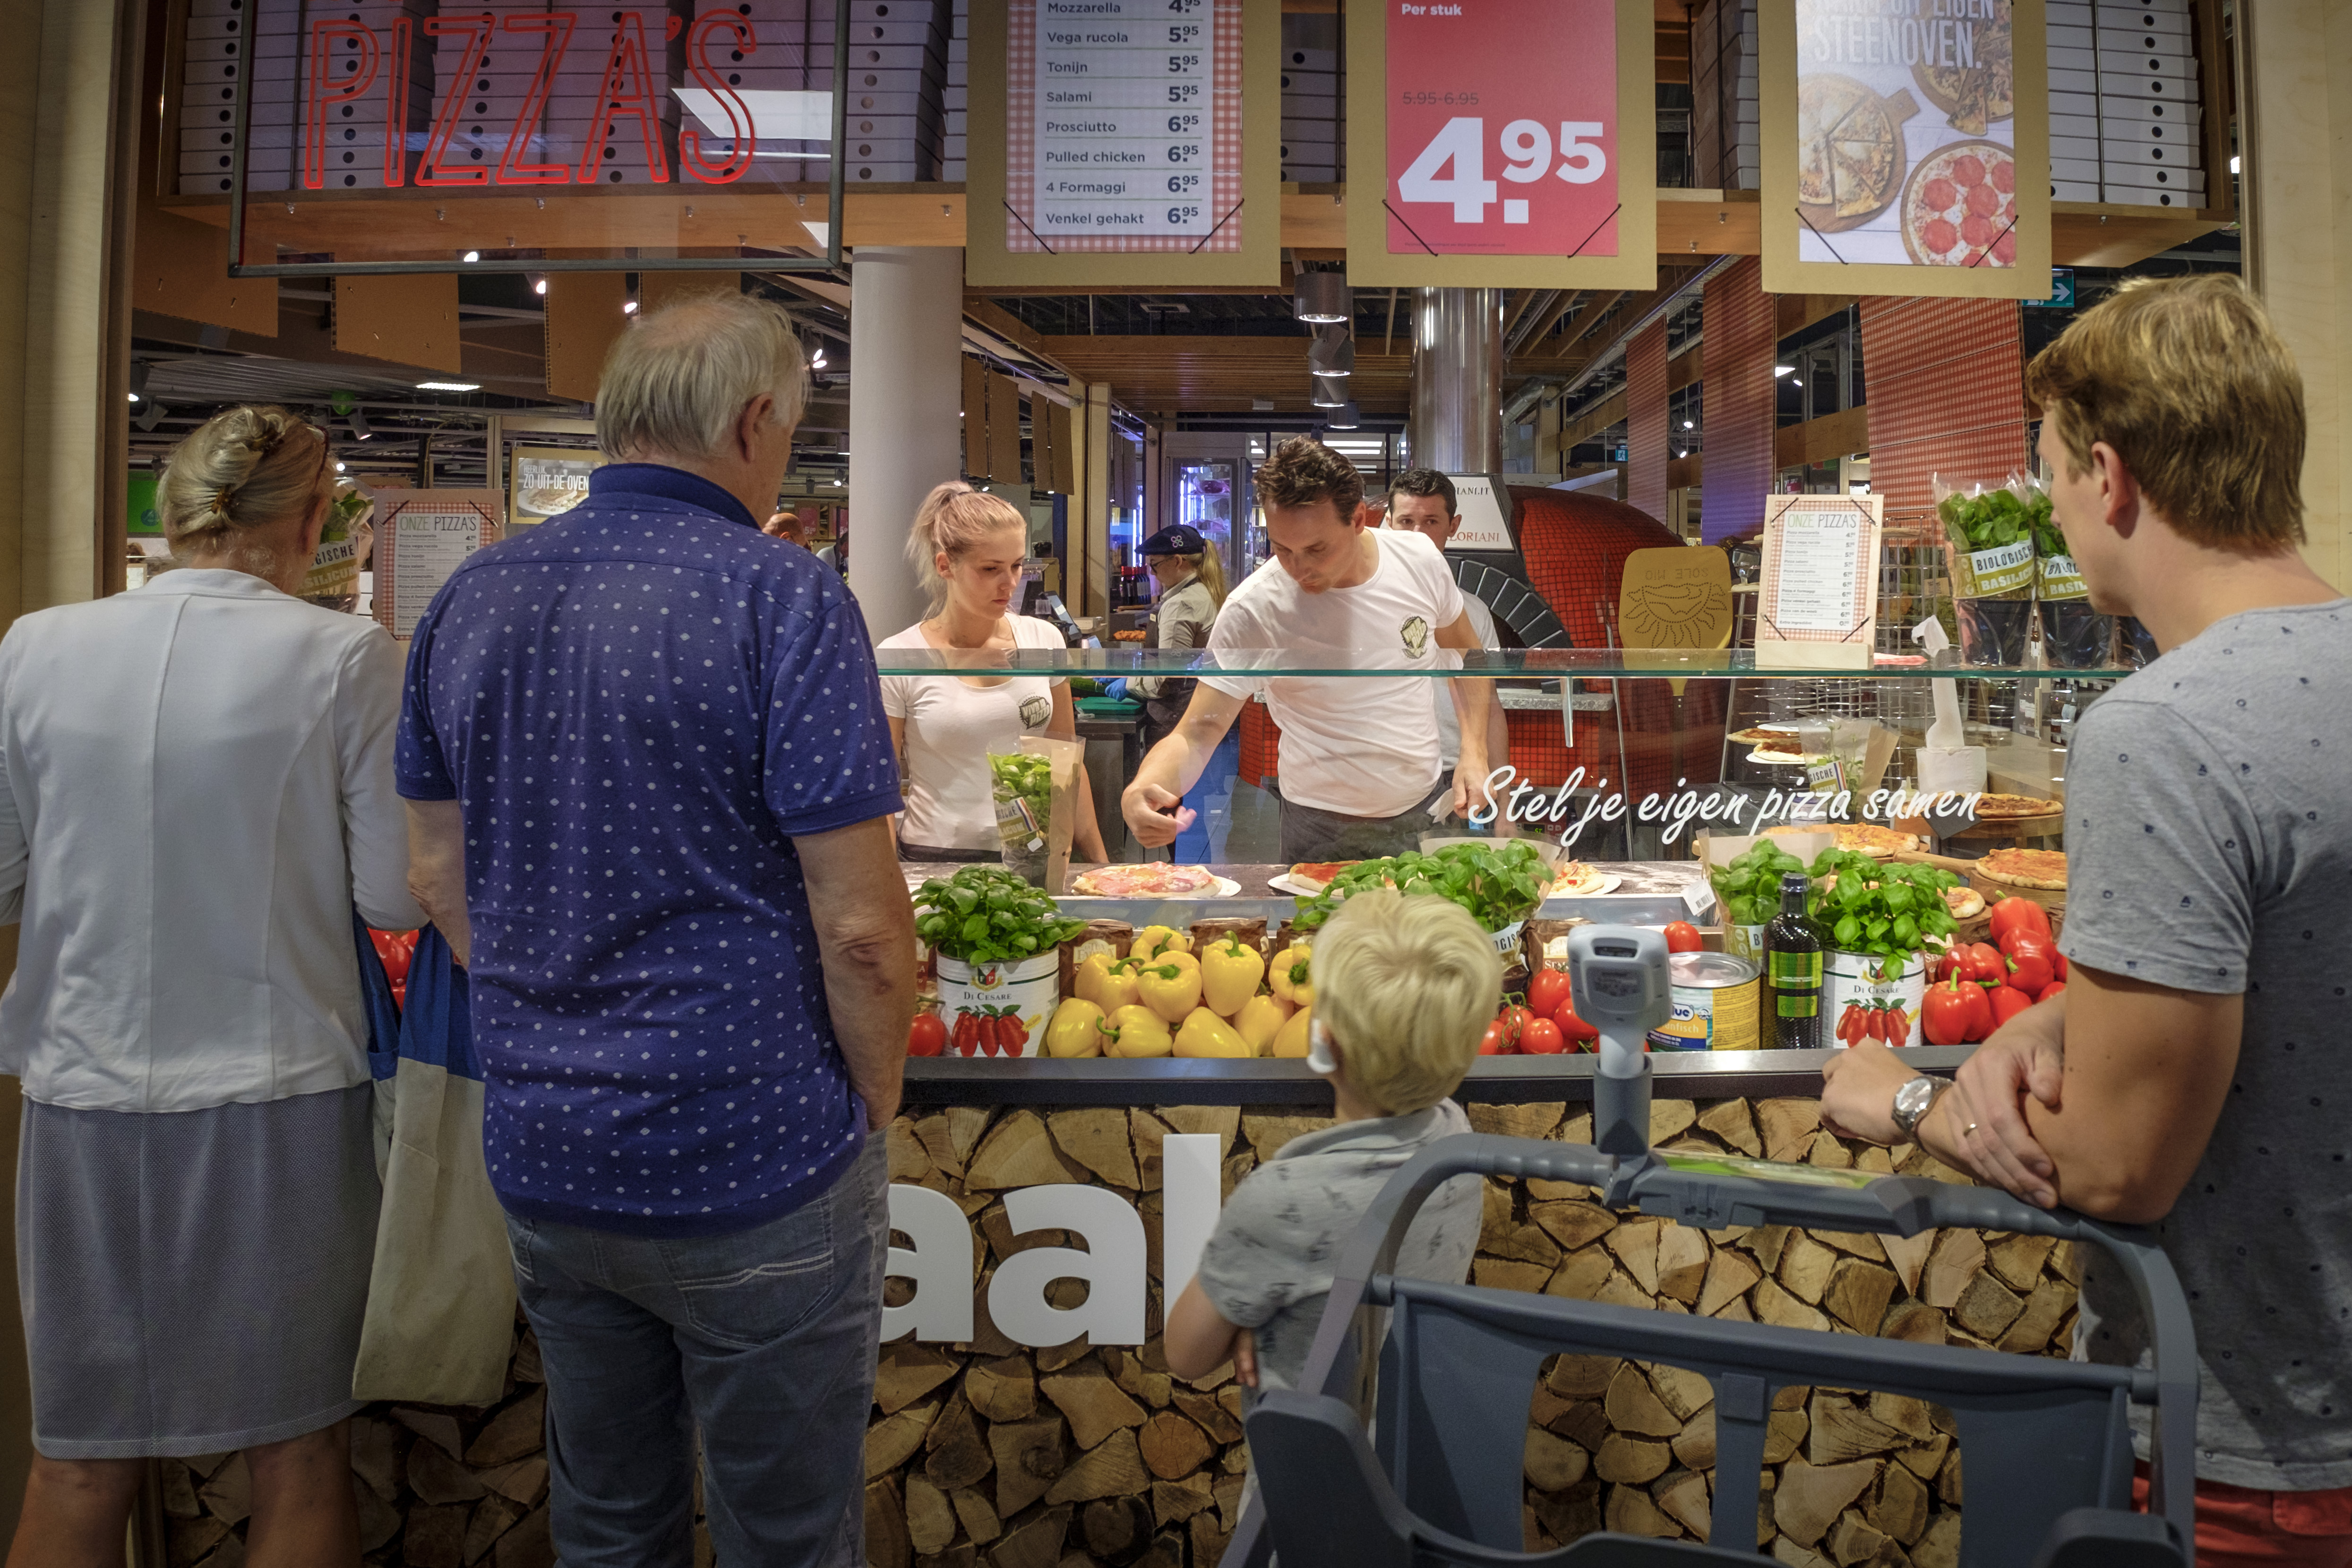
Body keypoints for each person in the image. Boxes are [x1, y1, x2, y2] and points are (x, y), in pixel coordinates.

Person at [1818, 274, 2351, 1566]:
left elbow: (2117, 1165)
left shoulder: (2160, 729)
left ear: (2108, 479)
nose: (2054, 501)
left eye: (2052, 471)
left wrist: (1902, 1099)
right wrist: (2071, 1007)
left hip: (2248, 1453)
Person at [397, 293, 915, 1567]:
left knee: (611, 1516)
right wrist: (878, 1087)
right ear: (753, 422)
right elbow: (860, 924)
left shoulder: (471, 594)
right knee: (785, 1532)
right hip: (752, 1149)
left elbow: (432, 869)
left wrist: (548, 1013)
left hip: (546, 1153)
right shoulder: (784, 595)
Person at [0, 406, 423, 1567]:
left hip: (81, 1093)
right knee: (295, 1452)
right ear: (313, 518)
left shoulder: (35, 645)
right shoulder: (347, 659)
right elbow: (394, 898)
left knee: (77, 1455)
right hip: (279, 1088)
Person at [1165, 889, 1495, 1392]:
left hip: (1313, 1467)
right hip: (1416, 1446)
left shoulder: (1281, 1199)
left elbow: (1186, 1354)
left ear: (1322, 1042)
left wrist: (1252, 1324)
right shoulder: (1455, 1135)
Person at [1119, 437, 1499, 864]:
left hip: (1422, 806)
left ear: (1358, 519)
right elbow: (1199, 731)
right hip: (1316, 824)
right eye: (1282, 549)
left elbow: (1466, 656)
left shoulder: (1419, 560)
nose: (1298, 569)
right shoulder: (1255, 607)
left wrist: (1474, 752)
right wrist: (1143, 785)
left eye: (1316, 549)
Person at [878, 482, 1108, 864]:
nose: (1010, 583)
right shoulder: (901, 655)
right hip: (935, 856)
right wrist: (886, 882)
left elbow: (1067, 767)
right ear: (944, 566)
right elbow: (880, 790)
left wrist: (1102, 867)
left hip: (1032, 853)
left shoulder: (1042, 637)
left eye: (1017, 565)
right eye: (990, 569)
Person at [1384, 469, 1514, 831]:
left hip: (1457, 776)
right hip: (1389, 777)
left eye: (1431, 522)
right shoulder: (1366, 603)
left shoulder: (1473, 612)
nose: (1417, 534)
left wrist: (1505, 807)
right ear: (1388, 522)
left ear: (1453, 525)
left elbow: (1489, 706)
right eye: (1407, 521)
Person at [1121, 523, 1233, 861]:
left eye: (1155, 566)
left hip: (1175, 719)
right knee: (1192, 817)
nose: (1153, 575)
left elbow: (1165, 675)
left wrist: (1126, 684)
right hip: (1199, 713)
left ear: (1179, 561)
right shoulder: (1206, 591)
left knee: (1172, 819)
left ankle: (1182, 883)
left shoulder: (1182, 604)